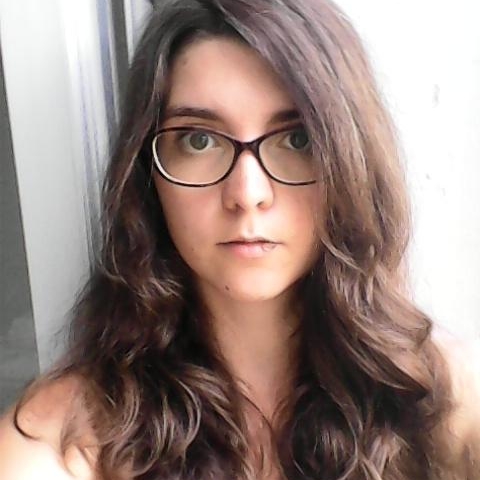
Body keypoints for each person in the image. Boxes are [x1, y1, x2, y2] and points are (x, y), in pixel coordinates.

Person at [0, 0, 479, 479]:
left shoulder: (441, 400)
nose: (248, 194)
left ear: (349, 162)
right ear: (147, 175)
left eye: (297, 139)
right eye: (199, 140)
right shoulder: (65, 443)